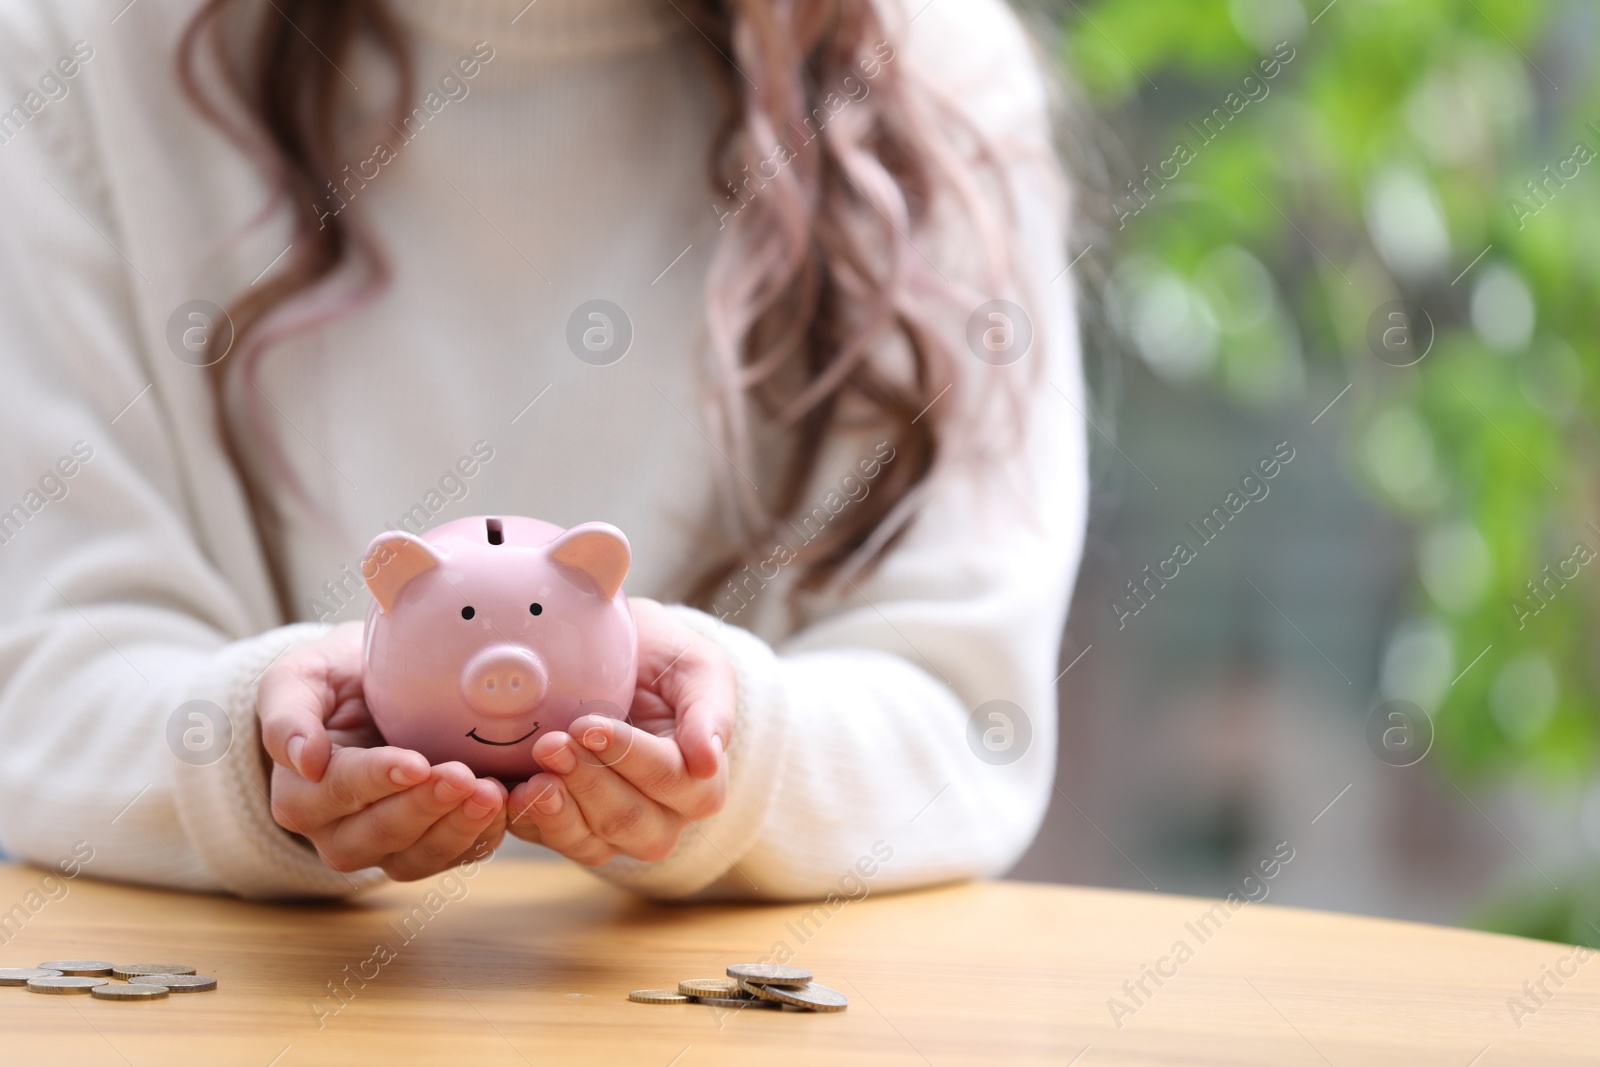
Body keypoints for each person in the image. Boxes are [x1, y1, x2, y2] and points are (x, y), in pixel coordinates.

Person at [0, 0, 1086, 901]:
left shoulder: (930, 62)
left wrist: (737, 752)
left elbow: (961, 712)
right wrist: (249, 749)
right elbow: (43, 669)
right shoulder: (71, 45)